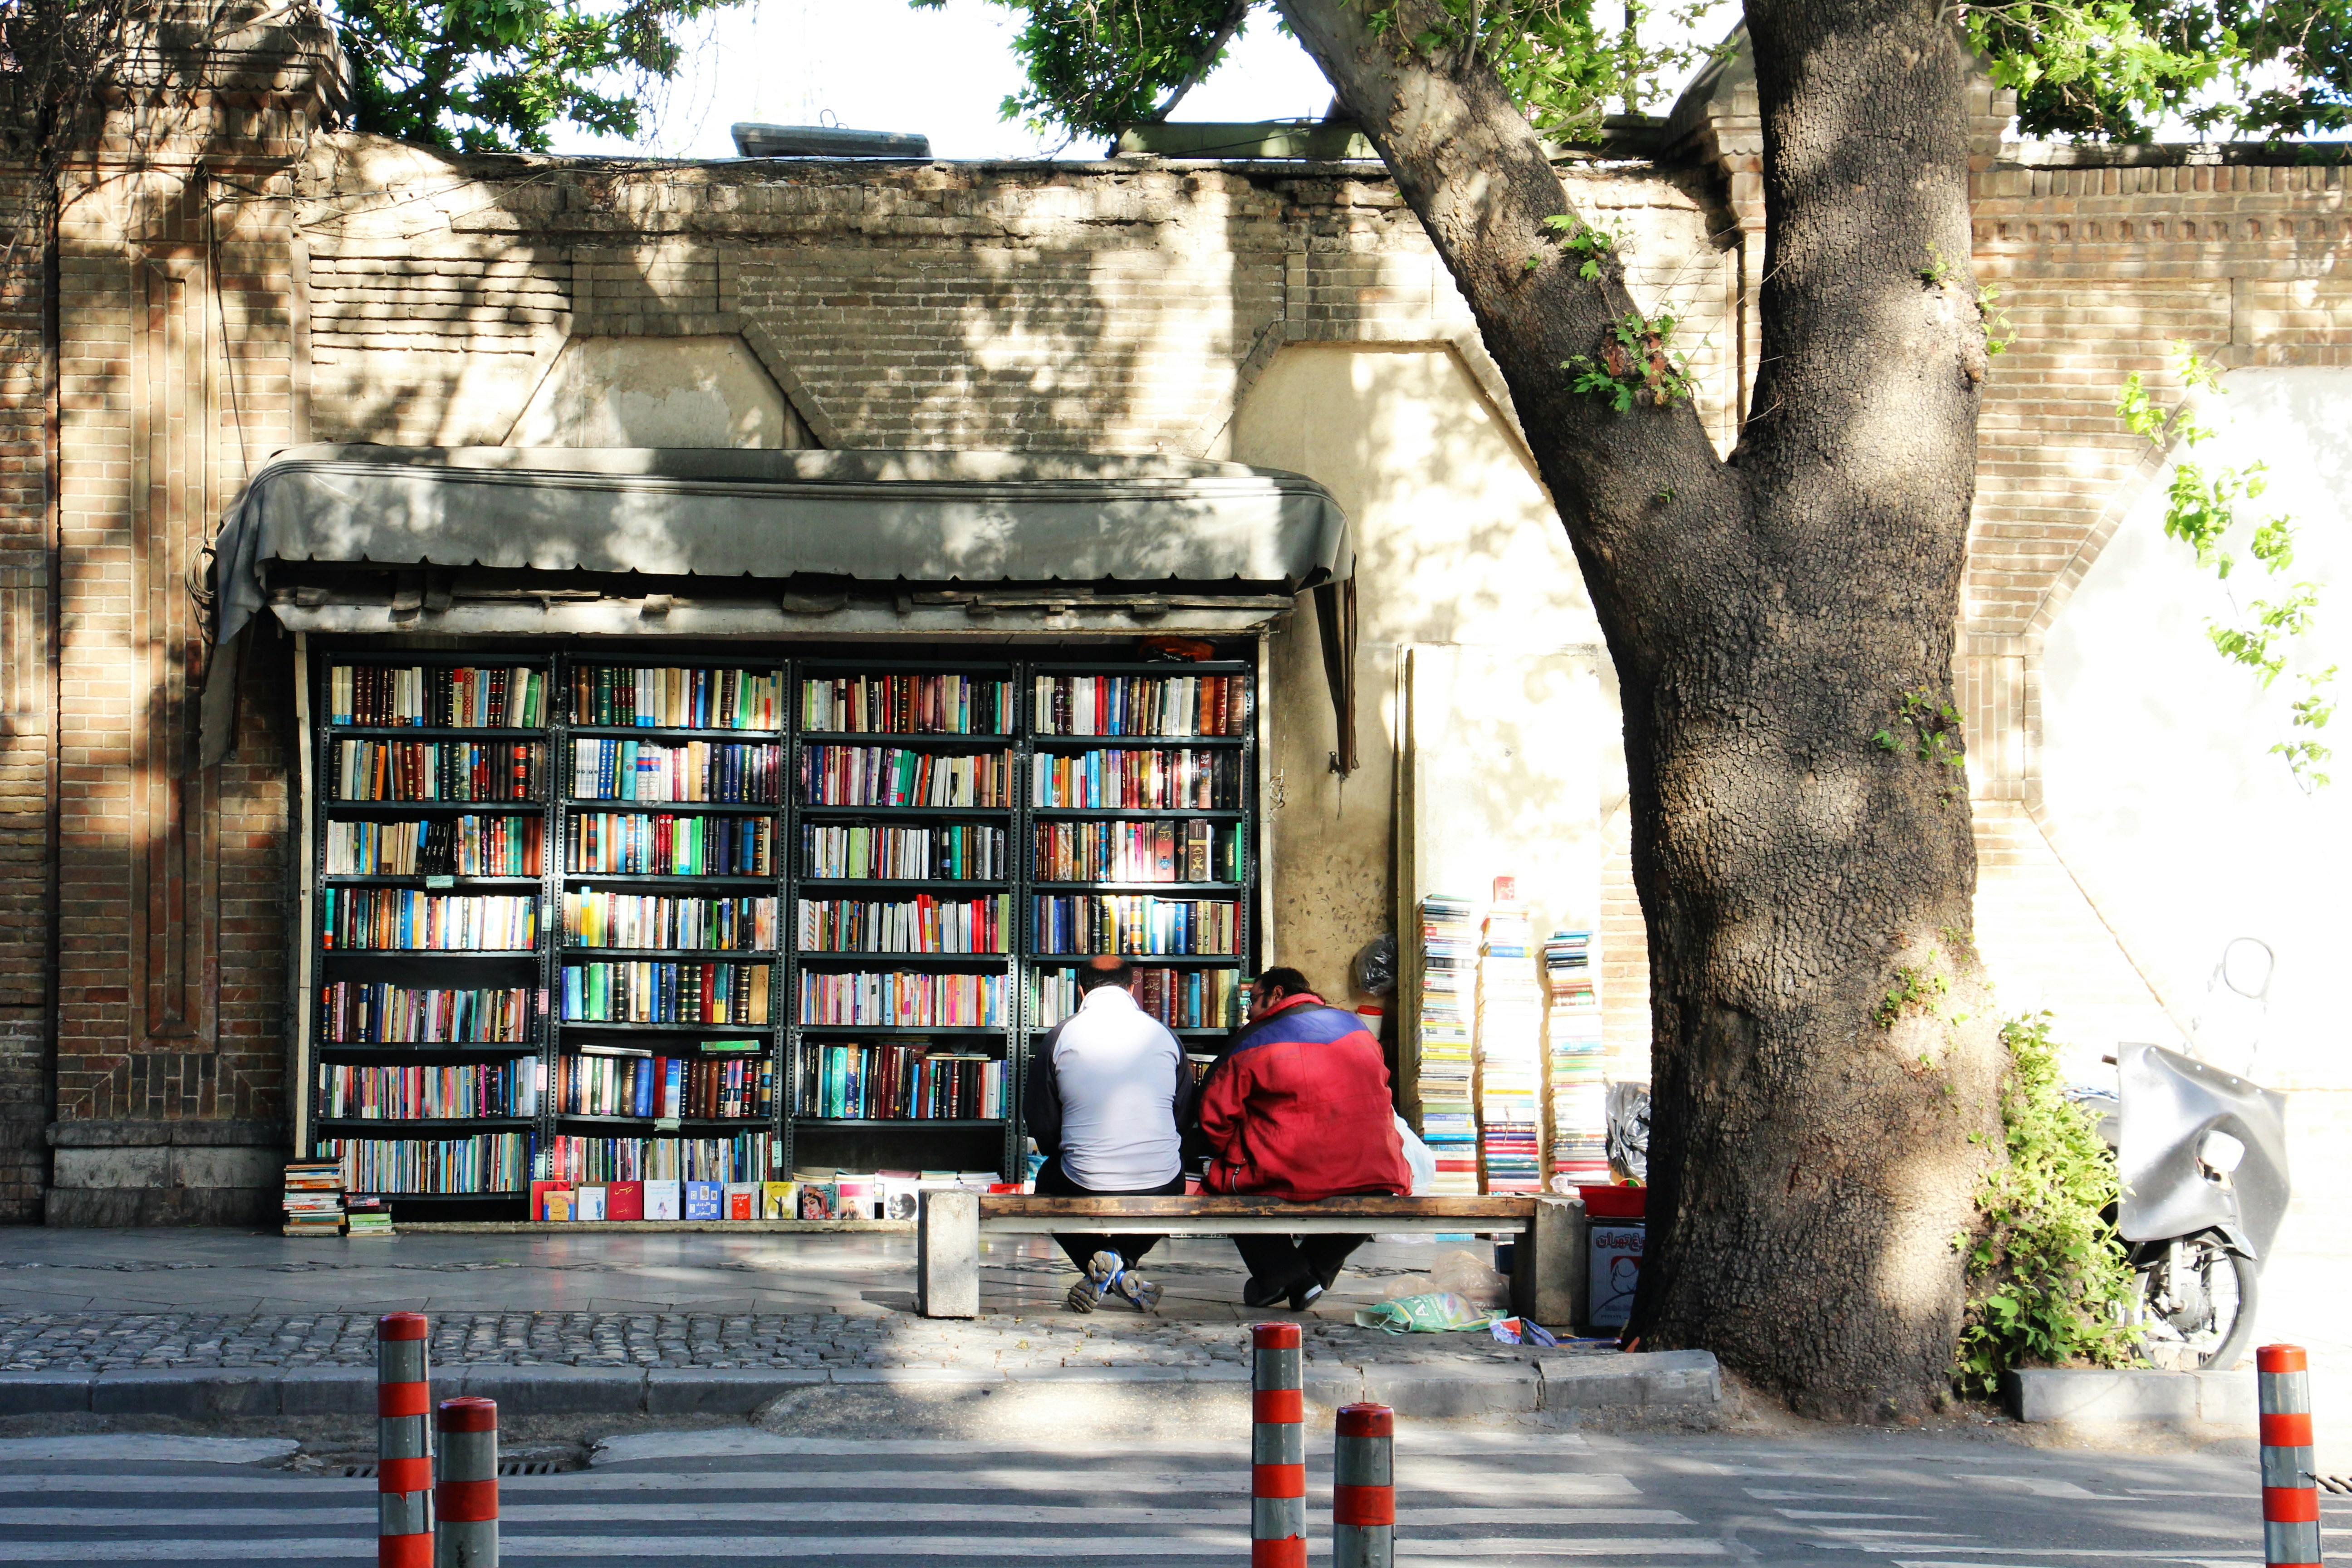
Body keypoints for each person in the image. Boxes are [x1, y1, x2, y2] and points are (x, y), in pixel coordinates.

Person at [1197, 967, 1410, 1310]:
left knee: (1224, 1184)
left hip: (1296, 1170)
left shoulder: (1252, 1039)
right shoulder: (1357, 1027)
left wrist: (1231, 1151)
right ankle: (1312, 1272)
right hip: (1379, 1170)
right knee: (1376, 1195)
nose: (1250, 1011)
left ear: (1277, 994)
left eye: (1254, 1000)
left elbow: (1213, 1118)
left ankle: (1283, 1275)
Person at [1024, 954, 1196, 1313]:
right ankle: (1123, 1261)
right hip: (1161, 1182)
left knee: (1046, 1187)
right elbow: (1182, 1116)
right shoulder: (1166, 1036)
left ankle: (1103, 1264)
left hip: (1082, 1179)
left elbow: (1040, 1119)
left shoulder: (1060, 1036)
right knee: (1174, 1178)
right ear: (1132, 988)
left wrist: (1071, 1153)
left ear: (1081, 991)